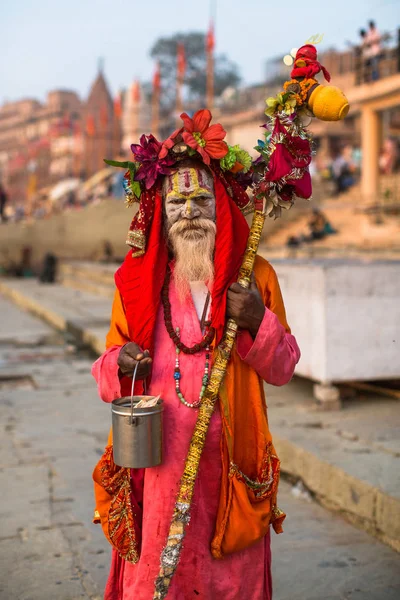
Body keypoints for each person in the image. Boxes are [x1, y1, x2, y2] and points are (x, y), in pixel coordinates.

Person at [91, 109, 300, 600]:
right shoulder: (139, 285)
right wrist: (120, 363)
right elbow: (104, 369)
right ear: (160, 211)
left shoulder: (255, 277)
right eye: (177, 202)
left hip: (230, 476)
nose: (189, 212)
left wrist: (256, 323)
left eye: (201, 199)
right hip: (157, 474)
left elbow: (285, 366)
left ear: (221, 205)